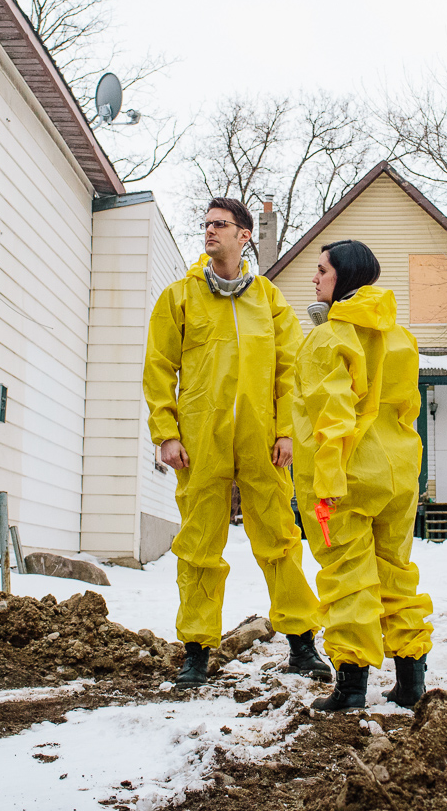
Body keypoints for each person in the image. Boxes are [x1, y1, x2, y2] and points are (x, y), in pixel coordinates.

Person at [143, 198, 331, 689]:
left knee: (279, 539)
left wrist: (286, 430)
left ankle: (301, 643)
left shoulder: (268, 300)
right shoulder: (179, 298)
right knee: (199, 544)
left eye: (220, 225)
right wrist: (165, 432)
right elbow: (159, 368)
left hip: (262, 441)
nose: (209, 232)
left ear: (244, 235)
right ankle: (196, 652)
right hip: (200, 440)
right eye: (205, 224)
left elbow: (290, 371)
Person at [292, 239, 433, 711]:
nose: (315, 279)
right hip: (397, 472)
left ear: (345, 279)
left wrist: (325, 488)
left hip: (348, 475)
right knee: (396, 571)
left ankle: (351, 689)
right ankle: (411, 682)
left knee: (349, 576)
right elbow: (409, 407)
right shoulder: (401, 336)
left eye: (322, 271)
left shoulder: (328, 337)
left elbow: (331, 420)